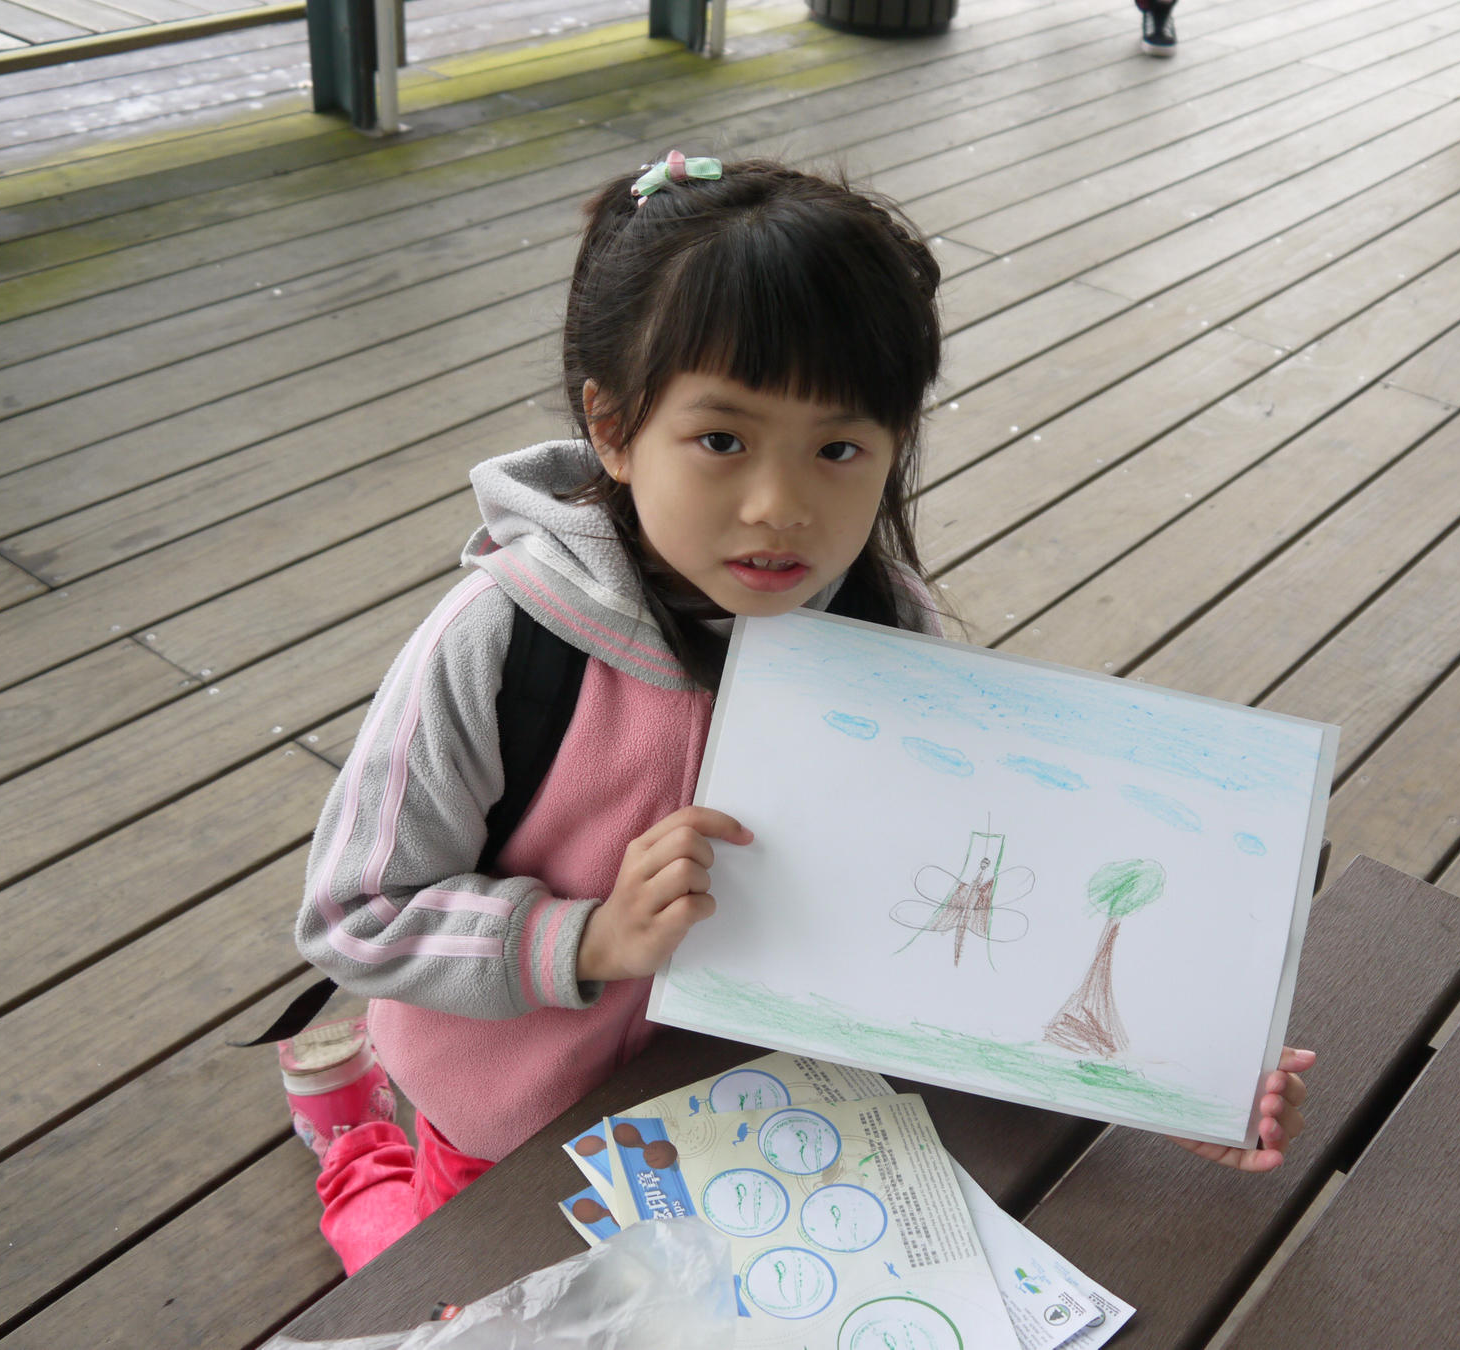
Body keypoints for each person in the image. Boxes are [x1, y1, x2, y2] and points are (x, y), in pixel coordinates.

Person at [281, 153, 1310, 1276]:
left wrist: (1171, 1077)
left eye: (839, 449)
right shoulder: (500, 643)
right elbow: (353, 914)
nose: (780, 506)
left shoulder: (889, 630)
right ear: (613, 426)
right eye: (722, 440)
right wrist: (587, 938)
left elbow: (977, 899)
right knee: (435, 1288)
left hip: (766, 1130)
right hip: (512, 1135)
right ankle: (358, 1150)